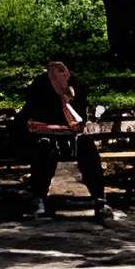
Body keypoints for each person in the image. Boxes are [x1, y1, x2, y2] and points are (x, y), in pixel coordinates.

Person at [20, 56, 113, 223]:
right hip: (43, 136)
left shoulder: (76, 86)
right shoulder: (40, 86)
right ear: (50, 72)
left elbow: (79, 120)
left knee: (87, 145)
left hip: (69, 138)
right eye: (57, 71)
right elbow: (32, 120)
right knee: (44, 147)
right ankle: (39, 199)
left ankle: (99, 200)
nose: (62, 75)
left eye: (65, 72)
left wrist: (67, 98)